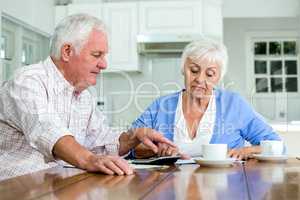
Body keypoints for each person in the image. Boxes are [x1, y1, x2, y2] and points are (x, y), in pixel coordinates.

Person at [0, 14, 175, 180]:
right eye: (97, 55)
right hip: (17, 187)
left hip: (59, 186)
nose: (104, 64)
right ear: (67, 51)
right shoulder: (27, 81)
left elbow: (104, 143)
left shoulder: (83, 95)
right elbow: (48, 131)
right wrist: (90, 160)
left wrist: (135, 136)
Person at [131, 38, 282, 160]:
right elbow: (129, 143)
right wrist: (156, 150)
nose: (200, 79)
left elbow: (276, 145)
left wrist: (246, 150)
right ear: (184, 69)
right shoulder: (161, 105)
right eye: (194, 70)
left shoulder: (233, 104)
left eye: (210, 74)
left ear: (218, 77)